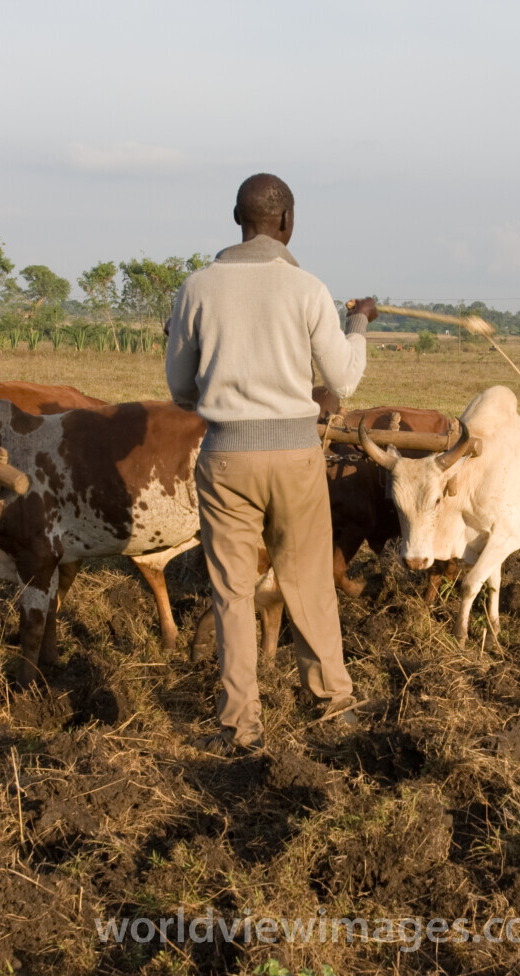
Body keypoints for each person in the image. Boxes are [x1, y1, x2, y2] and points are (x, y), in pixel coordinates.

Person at [165, 173, 377, 756]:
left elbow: (180, 387)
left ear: (237, 218)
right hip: (296, 457)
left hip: (226, 455)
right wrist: (356, 323)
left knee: (231, 591)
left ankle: (240, 724)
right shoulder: (308, 290)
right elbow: (343, 379)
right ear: (287, 224)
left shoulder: (197, 288)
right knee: (308, 581)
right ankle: (333, 706)